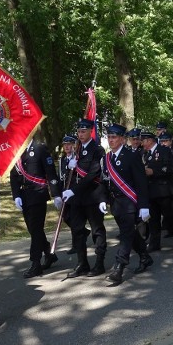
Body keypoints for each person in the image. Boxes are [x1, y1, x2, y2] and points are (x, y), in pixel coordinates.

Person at [101, 123, 153, 285]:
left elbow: (141, 182)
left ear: (123, 139)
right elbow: (105, 182)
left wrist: (144, 205)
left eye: (114, 137)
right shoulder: (106, 158)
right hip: (116, 203)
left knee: (125, 234)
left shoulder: (131, 156)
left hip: (130, 202)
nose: (111, 140)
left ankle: (119, 266)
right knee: (130, 233)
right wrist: (103, 199)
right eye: (109, 137)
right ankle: (145, 257)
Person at [10, 139, 62, 278]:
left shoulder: (39, 148)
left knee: (36, 228)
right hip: (24, 195)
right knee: (33, 229)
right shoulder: (17, 149)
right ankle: (49, 254)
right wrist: (16, 195)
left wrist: (56, 193)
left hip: (38, 194)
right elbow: (13, 175)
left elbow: (50, 172)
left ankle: (35, 263)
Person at [62, 118, 108, 277]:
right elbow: (71, 174)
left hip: (93, 196)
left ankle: (100, 263)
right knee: (77, 230)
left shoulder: (98, 150)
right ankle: (82, 263)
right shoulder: (77, 150)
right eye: (79, 132)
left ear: (90, 131)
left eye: (83, 131)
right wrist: (70, 167)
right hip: (77, 199)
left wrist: (73, 190)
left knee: (97, 230)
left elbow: (93, 174)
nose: (80, 134)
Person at [141, 131, 173, 251]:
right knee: (153, 218)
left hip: (163, 190)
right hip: (150, 191)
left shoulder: (164, 150)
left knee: (169, 216)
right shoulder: (146, 153)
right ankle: (155, 244)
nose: (142, 143)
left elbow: (171, 168)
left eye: (144, 140)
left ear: (150, 140)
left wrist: (154, 172)